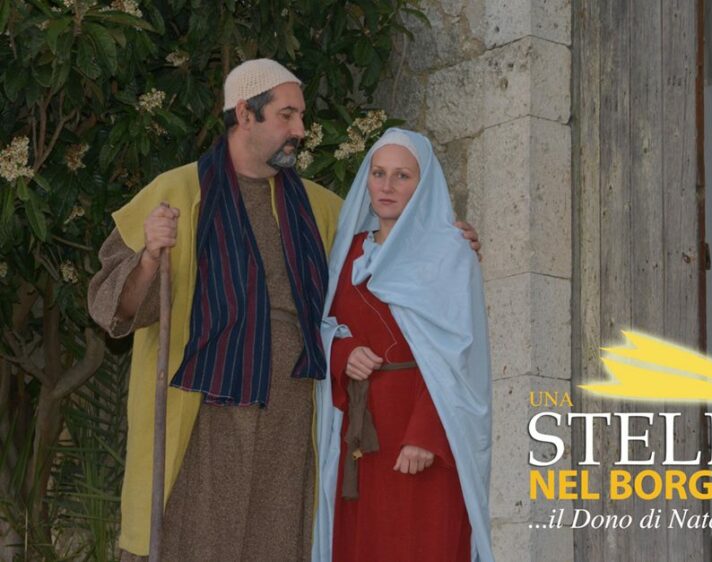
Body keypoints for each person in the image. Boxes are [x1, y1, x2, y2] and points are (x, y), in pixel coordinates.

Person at [88, 60, 480, 561]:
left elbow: (394, 246)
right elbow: (109, 306)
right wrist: (148, 257)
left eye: (301, 116)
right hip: (202, 417)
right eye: (287, 115)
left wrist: (449, 240)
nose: (300, 129)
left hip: (292, 420)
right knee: (191, 543)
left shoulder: (322, 207)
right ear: (244, 115)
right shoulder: (176, 193)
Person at [313, 129, 494, 562]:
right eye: (379, 173)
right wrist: (342, 354)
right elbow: (323, 325)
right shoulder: (347, 253)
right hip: (360, 432)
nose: (387, 186)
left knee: (421, 544)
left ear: (423, 184)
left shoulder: (450, 252)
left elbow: (459, 352)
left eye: (402, 176)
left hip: (423, 434)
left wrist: (426, 434)